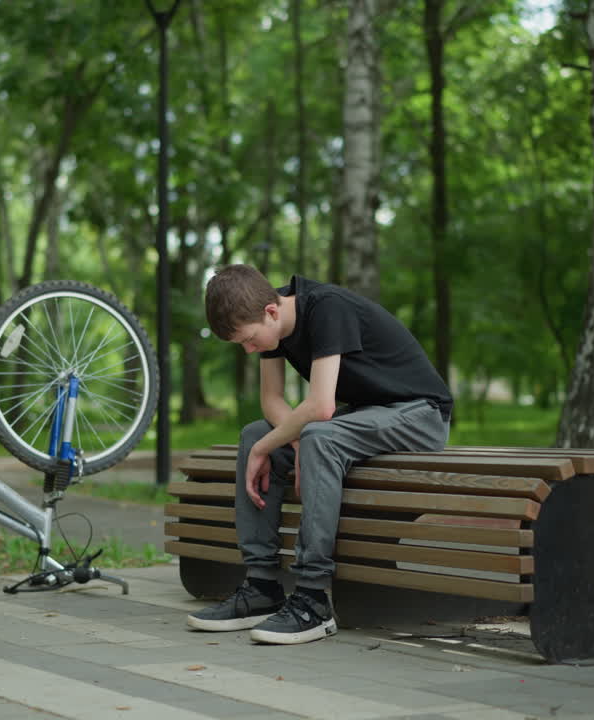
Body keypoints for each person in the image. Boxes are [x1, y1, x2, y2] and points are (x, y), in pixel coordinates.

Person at [188, 264, 452, 645]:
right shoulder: (270, 316)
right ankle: (262, 586)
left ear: (271, 312)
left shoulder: (327, 308)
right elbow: (271, 401)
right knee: (253, 434)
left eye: (249, 340)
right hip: (366, 415)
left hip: (420, 413)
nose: (249, 349)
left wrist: (274, 445)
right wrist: (286, 442)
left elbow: (322, 407)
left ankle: (314, 599)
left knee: (309, 437)